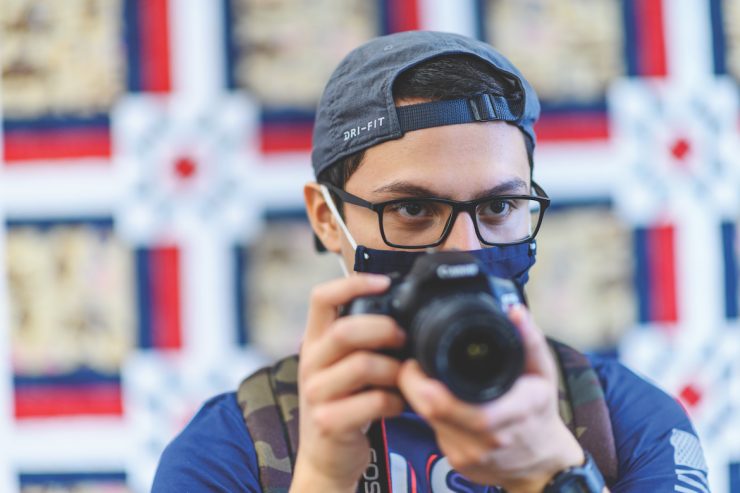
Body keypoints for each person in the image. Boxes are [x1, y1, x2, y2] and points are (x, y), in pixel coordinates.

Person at [152, 31, 708, 492]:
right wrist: (322, 477)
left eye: (498, 207)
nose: (463, 248)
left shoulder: (625, 420)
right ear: (326, 218)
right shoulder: (230, 448)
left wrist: (553, 473)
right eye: (412, 209)